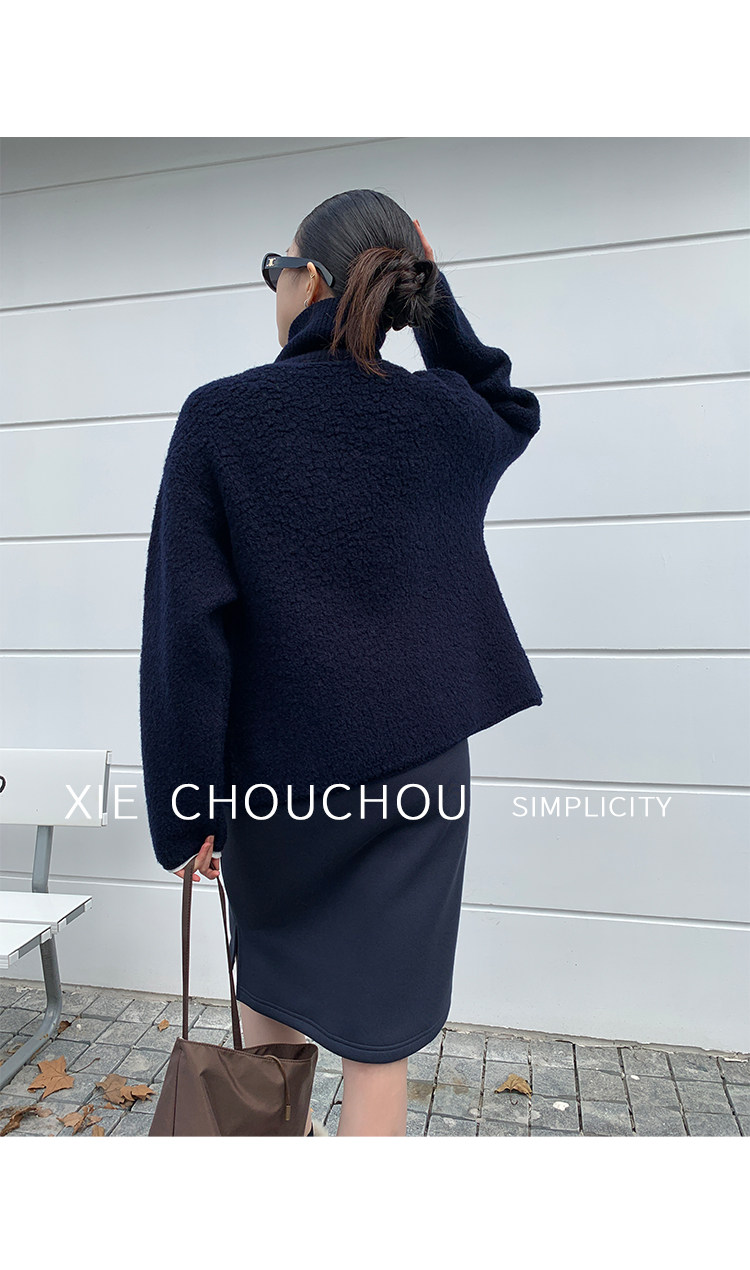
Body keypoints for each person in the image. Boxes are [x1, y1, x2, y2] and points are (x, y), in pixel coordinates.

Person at [139, 189, 543, 1136]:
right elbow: (508, 405)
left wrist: (186, 809)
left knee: (268, 1005)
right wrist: (434, 299)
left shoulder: (223, 418)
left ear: (311, 280)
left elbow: (188, 633)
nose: (274, 286)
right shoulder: (444, 417)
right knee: (378, 1049)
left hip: (275, 783)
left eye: (276, 268)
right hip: (417, 777)